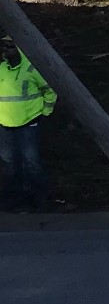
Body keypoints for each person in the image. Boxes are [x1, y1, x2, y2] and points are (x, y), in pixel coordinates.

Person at [0, 37, 56, 213]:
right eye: (3, 46)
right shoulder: (1, 69)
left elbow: (50, 92)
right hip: (5, 123)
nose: (6, 50)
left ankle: (39, 199)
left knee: (31, 161)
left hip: (29, 122)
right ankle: (14, 198)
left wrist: (44, 113)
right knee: (8, 162)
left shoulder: (32, 69)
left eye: (10, 46)